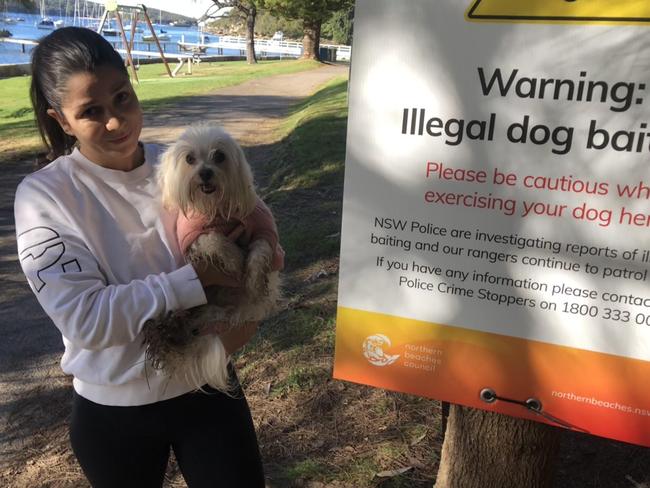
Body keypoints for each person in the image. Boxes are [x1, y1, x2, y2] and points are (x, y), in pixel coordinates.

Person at [14, 27, 265, 487]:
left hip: (206, 386)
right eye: (91, 111)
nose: (116, 122)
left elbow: (246, 222)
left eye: (122, 98)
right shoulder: (45, 196)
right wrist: (193, 279)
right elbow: (85, 320)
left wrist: (260, 262)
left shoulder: (179, 164)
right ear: (62, 120)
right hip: (115, 409)